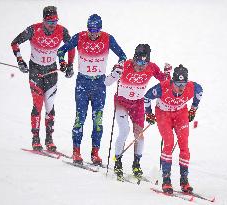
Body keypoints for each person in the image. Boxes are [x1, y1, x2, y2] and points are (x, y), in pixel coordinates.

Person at [57, 14, 127, 165]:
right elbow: (61, 50)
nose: (93, 33)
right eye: (90, 29)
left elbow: (123, 55)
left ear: (100, 29)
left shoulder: (108, 38)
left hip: (99, 85)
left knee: (98, 121)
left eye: (96, 30)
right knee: (79, 119)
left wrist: (119, 66)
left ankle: (95, 153)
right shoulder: (80, 37)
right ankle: (76, 151)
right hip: (83, 83)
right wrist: (63, 63)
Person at [11, 6, 75, 152]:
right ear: (43, 20)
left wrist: (69, 64)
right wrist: (20, 61)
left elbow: (71, 47)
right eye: (49, 21)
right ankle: (35, 138)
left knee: (50, 106)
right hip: (36, 72)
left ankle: (49, 139)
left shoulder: (62, 30)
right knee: (38, 105)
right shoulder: (33, 30)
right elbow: (15, 42)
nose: (53, 25)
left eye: (55, 21)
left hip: (52, 72)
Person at [105, 44, 171, 181]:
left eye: (144, 62)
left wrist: (167, 73)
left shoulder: (152, 67)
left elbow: (166, 83)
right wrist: (114, 74)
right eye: (138, 61)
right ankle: (118, 162)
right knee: (124, 130)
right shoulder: (125, 65)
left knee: (139, 135)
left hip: (138, 104)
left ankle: (136, 164)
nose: (141, 65)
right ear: (134, 59)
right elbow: (106, 83)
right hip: (122, 102)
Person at [144, 64, 203, 194]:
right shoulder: (162, 88)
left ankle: (184, 180)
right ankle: (166, 179)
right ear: (172, 82)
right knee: (169, 142)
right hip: (163, 114)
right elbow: (147, 97)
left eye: (183, 84)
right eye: (177, 84)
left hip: (181, 114)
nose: (181, 88)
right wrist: (148, 113)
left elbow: (200, 91)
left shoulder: (192, 87)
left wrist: (193, 109)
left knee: (184, 146)